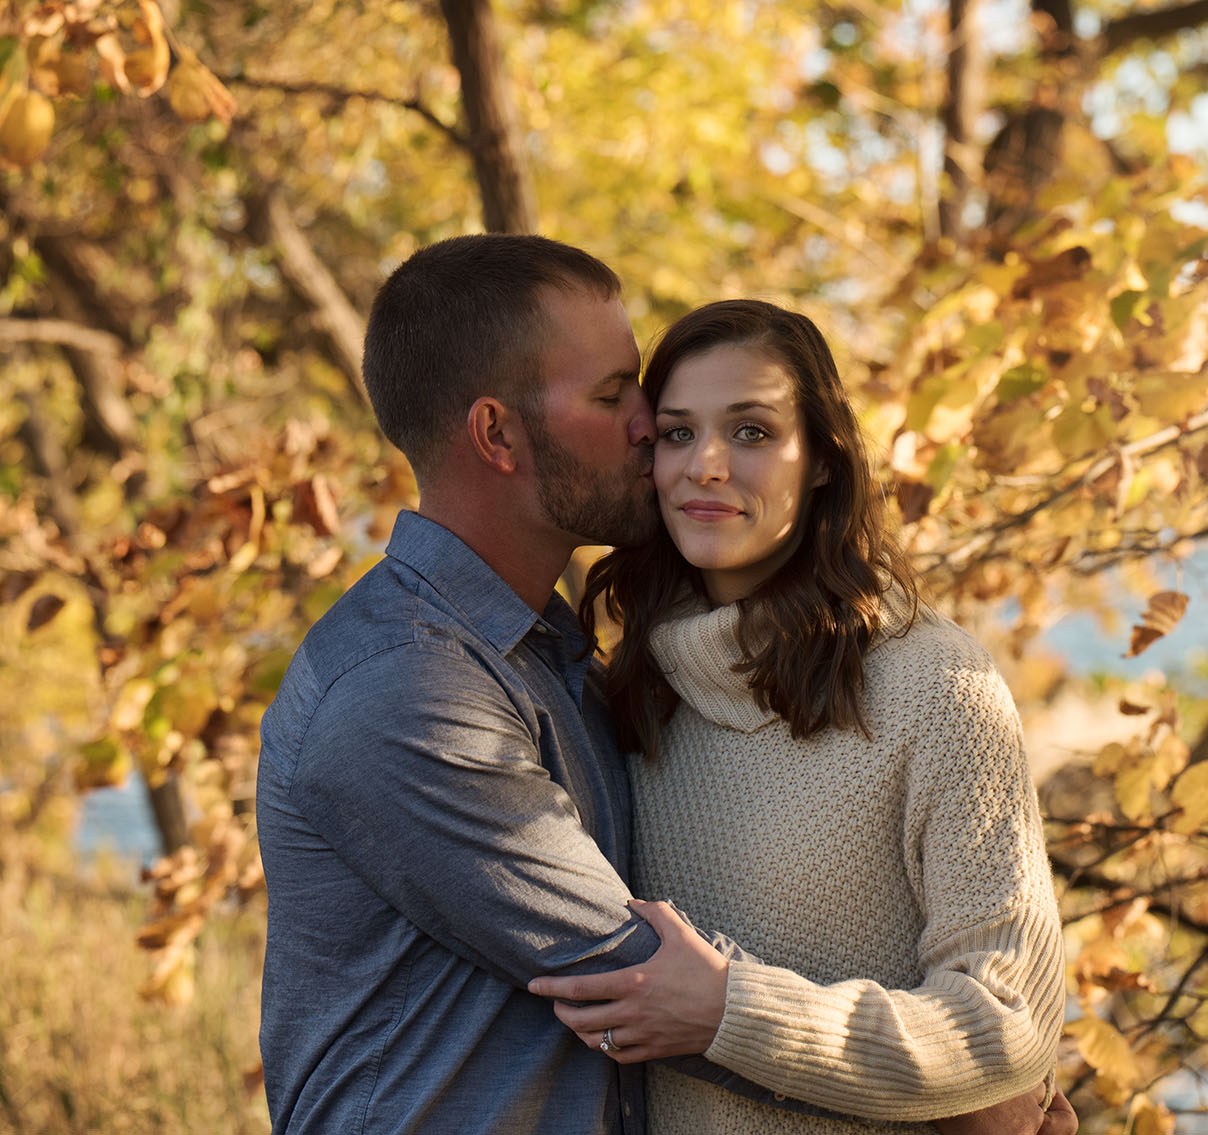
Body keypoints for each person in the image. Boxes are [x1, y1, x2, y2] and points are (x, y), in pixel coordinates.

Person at [256, 235, 1069, 1135]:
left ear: (824, 457)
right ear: (496, 433)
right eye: (623, 401)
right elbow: (637, 973)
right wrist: (965, 1098)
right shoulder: (410, 687)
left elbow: (996, 1008)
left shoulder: (568, 662)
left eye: (750, 430)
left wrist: (970, 1070)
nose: (656, 435)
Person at [531, 299, 1070, 1133]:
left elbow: (1010, 1019)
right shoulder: (629, 688)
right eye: (677, 433)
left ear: (821, 457)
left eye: (751, 431)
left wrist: (733, 1011)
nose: (707, 465)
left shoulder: (933, 684)